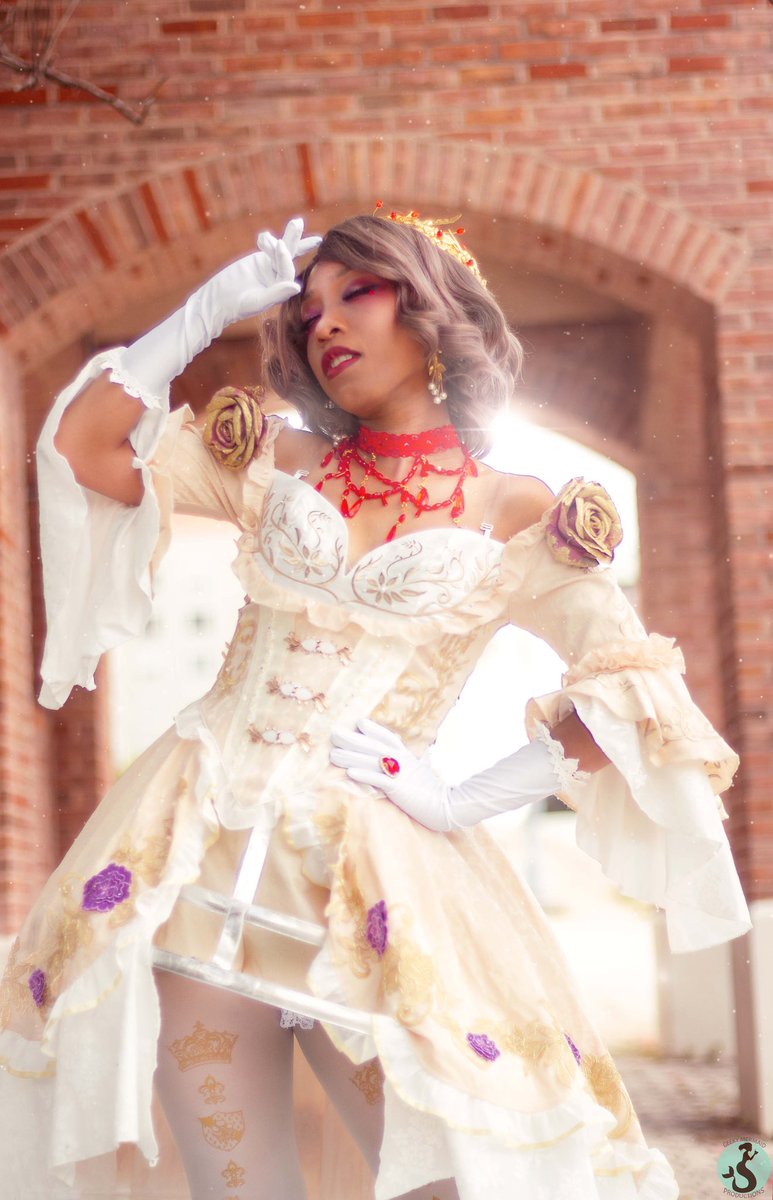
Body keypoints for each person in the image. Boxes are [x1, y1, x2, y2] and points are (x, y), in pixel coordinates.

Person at [0, 211, 751, 1200]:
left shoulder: (513, 509)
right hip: (191, 872)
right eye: (307, 308)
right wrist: (203, 312)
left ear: (428, 309)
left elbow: (631, 689)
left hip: (382, 907)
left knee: (443, 1181)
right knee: (240, 1191)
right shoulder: (271, 461)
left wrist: (461, 798)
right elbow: (83, 447)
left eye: (357, 291)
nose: (324, 322)